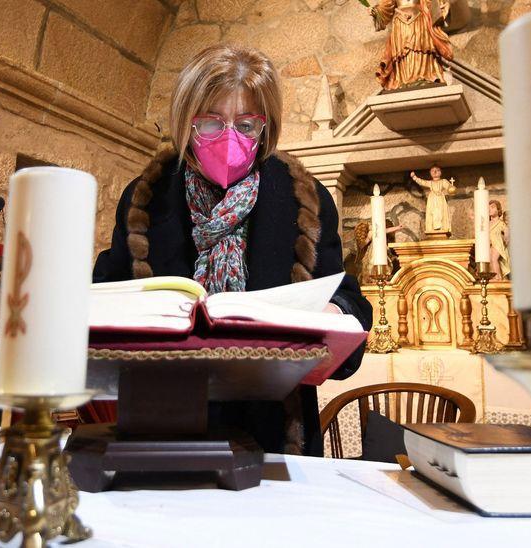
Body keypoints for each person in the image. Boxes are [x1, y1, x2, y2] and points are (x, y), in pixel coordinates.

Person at [93, 45, 372, 456]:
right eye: (210, 123)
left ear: (266, 127)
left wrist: (334, 315)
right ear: (186, 122)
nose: (228, 139)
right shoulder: (146, 199)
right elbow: (105, 293)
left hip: (274, 433)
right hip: (161, 425)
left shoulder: (303, 199)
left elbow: (347, 297)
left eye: (245, 125)